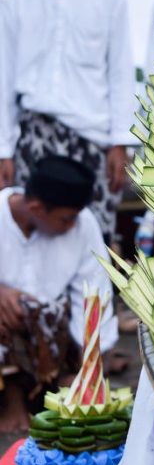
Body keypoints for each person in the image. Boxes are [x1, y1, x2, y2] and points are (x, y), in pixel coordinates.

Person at [0, 0, 136, 241]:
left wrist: (120, 141)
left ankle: (92, 299)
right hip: (34, 135)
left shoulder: (109, 0)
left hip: (92, 137)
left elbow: (120, 74)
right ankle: (31, 299)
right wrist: (4, 149)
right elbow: (3, 78)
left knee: (93, 233)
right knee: (32, 231)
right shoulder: (14, 5)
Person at [0, 155, 118, 430]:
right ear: (36, 207)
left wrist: (90, 359)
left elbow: (94, 290)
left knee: (48, 311)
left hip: (49, 334)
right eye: (66, 219)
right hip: (7, 328)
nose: (72, 225)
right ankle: (11, 402)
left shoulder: (82, 222)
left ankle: (59, 384)